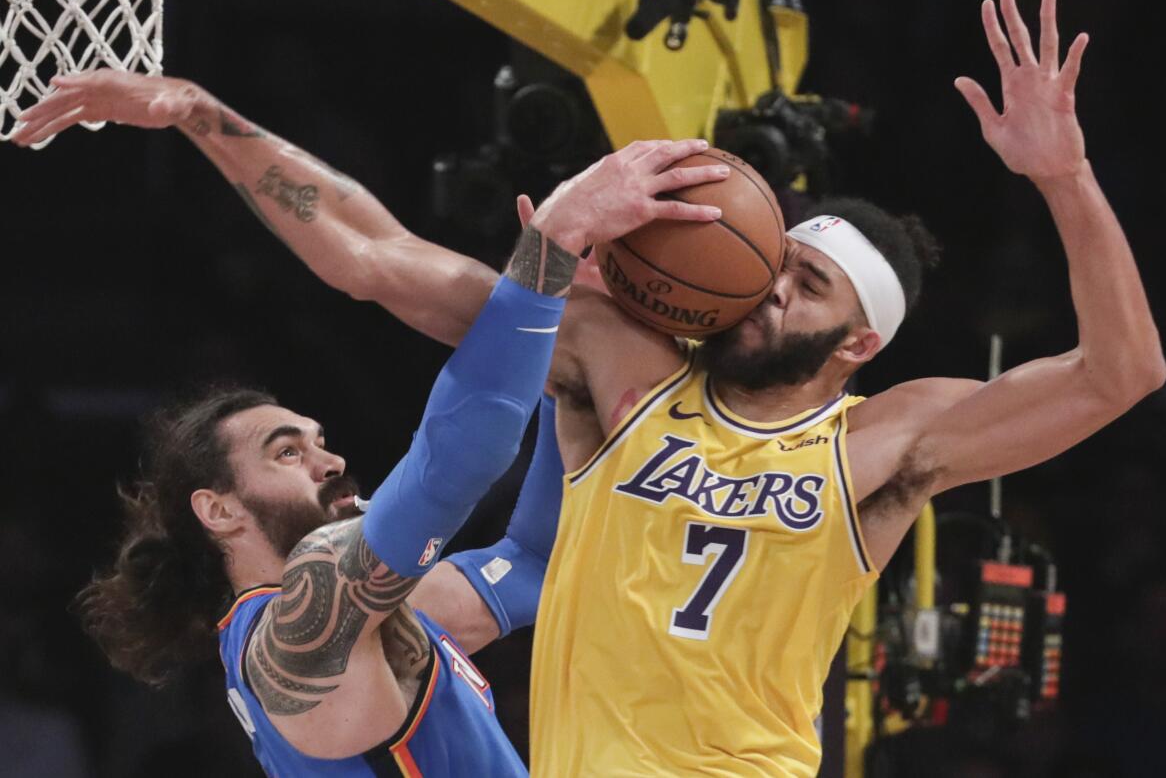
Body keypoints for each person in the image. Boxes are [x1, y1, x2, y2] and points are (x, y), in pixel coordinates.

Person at [21, 0, 1166, 776]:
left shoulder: (890, 438)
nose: (768, 292)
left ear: (856, 343)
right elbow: (378, 261)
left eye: (806, 288)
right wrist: (202, 116)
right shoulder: (623, 356)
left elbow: (1122, 373)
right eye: (772, 265)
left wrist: (1065, 180)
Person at [70, 151, 726, 777]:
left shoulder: (368, 616)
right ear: (218, 509)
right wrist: (552, 245)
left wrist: (571, 361)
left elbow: (535, 560)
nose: (329, 460)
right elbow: (457, 459)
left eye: (318, 438)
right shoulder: (293, 638)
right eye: (288, 451)